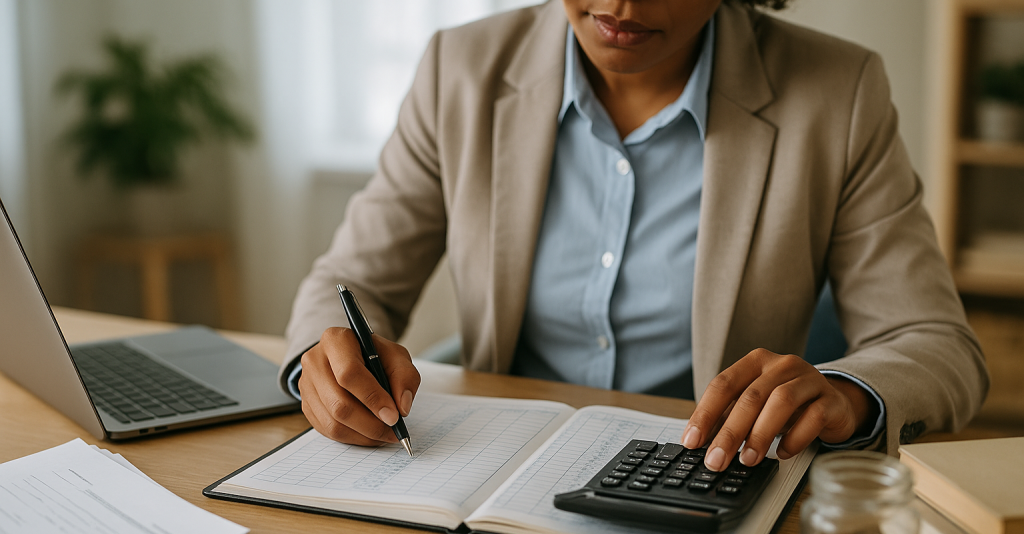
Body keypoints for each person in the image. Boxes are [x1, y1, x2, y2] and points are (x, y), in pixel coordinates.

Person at [280, 0, 988, 472]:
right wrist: (324, 358)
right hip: (493, 477)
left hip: (701, 480)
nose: (620, 3)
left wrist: (847, 392)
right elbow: (353, 280)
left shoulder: (839, 92)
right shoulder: (459, 69)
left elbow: (937, 342)